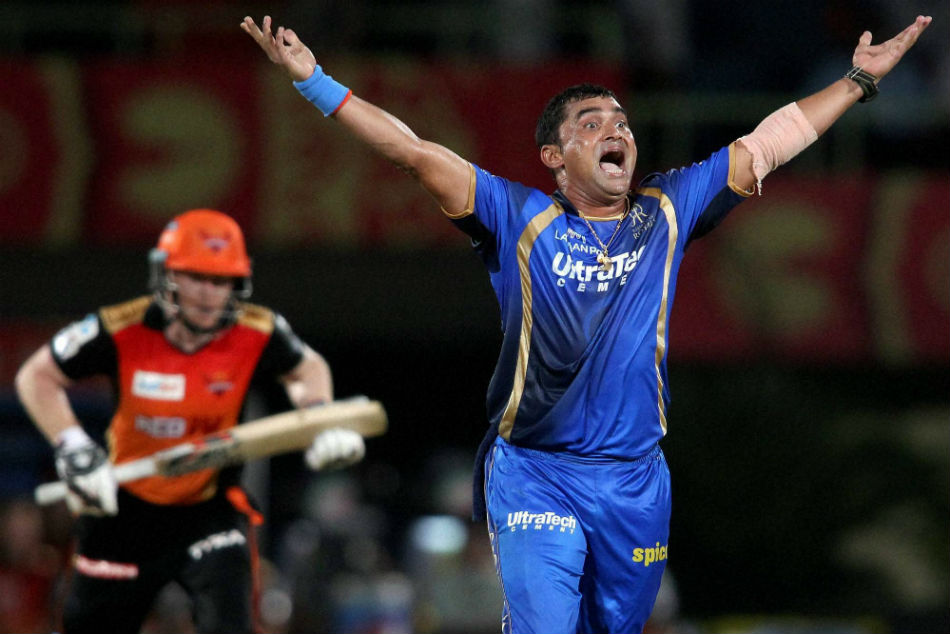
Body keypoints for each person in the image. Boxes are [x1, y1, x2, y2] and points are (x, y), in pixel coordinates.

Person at [241, 13, 931, 634]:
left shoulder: (667, 210)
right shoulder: (518, 217)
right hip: (535, 471)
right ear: (555, 157)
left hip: (636, 481)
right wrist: (315, 83)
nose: (616, 131)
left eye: (622, 122)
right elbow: (415, 152)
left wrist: (857, 82)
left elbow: (769, 142)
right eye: (593, 124)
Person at [14, 208, 367, 634]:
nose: (208, 293)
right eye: (196, 277)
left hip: (209, 508)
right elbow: (37, 376)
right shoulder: (120, 327)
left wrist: (319, 416)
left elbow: (307, 369)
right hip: (124, 507)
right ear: (166, 274)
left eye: (221, 281)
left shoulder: (258, 330)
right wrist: (73, 446)